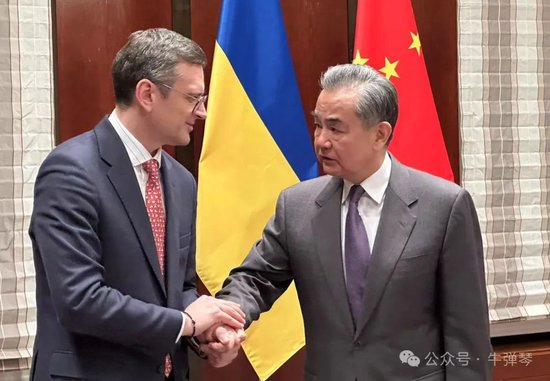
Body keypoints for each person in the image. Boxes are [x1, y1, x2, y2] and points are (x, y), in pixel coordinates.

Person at [216, 64, 492, 380]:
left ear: (380, 134)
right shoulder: (297, 206)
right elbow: (256, 279)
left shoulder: (444, 206)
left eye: (336, 129)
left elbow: (467, 333)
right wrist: (225, 318)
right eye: (318, 125)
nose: (321, 140)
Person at [29, 28, 244, 381]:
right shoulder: (70, 171)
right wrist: (186, 323)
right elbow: (80, 300)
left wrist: (208, 331)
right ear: (147, 94)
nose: (202, 112)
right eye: (193, 98)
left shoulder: (181, 180)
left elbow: (178, 288)